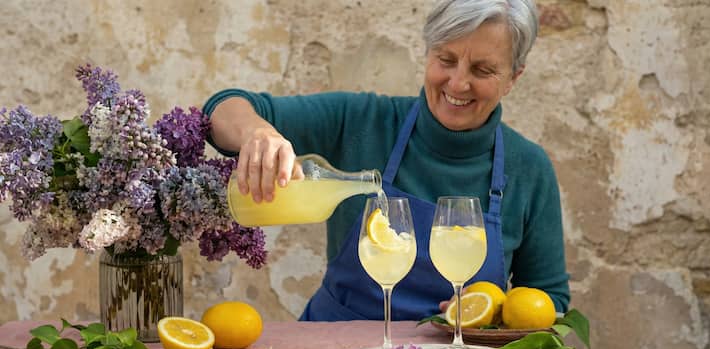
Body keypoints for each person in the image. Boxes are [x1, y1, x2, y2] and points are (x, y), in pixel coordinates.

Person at [203, 0, 570, 321]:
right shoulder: (361, 121)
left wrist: (490, 315)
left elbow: (549, 302)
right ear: (427, 53)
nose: (458, 83)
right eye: (446, 59)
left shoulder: (529, 168)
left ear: (513, 77)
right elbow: (221, 109)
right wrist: (256, 131)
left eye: (482, 70)